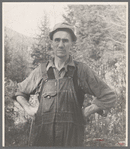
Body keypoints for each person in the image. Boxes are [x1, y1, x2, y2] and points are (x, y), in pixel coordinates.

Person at [15, 22, 116, 147]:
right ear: (52, 43)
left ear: (72, 43)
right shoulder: (41, 71)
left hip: (72, 139)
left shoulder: (81, 70)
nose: (61, 45)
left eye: (65, 41)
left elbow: (109, 95)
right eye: (57, 40)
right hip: (43, 139)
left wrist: (86, 111)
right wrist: (28, 108)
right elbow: (19, 92)